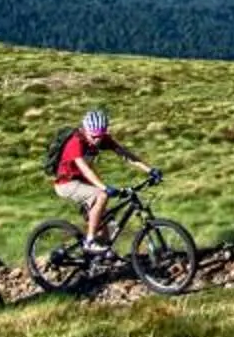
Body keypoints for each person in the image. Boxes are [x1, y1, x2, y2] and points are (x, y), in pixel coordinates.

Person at [51, 108, 157, 252]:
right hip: (66, 183)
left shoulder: (101, 139)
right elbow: (85, 170)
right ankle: (89, 241)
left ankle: (100, 258)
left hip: (83, 182)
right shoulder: (75, 143)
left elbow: (125, 154)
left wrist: (150, 170)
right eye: (93, 136)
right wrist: (104, 187)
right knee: (102, 195)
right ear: (84, 130)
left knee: (103, 220)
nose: (97, 140)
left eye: (100, 136)